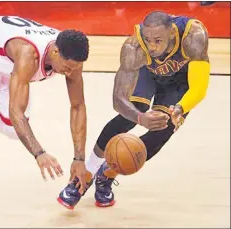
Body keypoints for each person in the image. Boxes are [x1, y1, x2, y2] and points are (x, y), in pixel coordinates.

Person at [57, 11, 210, 210]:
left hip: (179, 80)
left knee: (164, 127)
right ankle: (86, 174)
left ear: (172, 33)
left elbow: (199, 87)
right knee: (128, 116)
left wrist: (181, 108)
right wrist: (139, 117)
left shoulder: (193, 36)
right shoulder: (134, 48)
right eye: (148, 40)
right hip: (147, 71)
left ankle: (108, 173)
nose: (152, 47)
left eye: (157, 40)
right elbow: (118, 99)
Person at [0, 16, 89, 220]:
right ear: (55, 52)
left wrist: (79, 158)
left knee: (16, 131)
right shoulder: (28, 54)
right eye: (67, 67)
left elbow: (78, 106)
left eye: (74, 68)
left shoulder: (71, 58)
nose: (70, 72)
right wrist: (39, 153)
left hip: (9, 65)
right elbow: (17, 113)